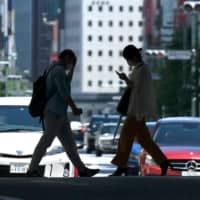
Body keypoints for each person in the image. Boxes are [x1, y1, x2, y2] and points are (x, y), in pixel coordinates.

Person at [27, 49, 99, 177]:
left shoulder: (55, 69)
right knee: (46, 141)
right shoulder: (58, 71)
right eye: (71, 60)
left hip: (59, 113)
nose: (71, 62)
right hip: (54, 112)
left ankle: (82, 169)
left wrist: (73, 68)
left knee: (69, 143)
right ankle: (32, 169)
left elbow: (66, 83)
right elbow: (64, 92)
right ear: (65, 57)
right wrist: (75, 108)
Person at [110, 44, 172, 176]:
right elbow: (135, 87)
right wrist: (126, 79)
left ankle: (121, 166)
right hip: (137, 110)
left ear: (132, 57)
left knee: (125, 137)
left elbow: (136, 88)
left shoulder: (142, 70)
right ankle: (163, 162)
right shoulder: (140, 69)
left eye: (128, 59)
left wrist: (126, 79)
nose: (128, 62)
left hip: (136, 110)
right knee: (145, 141)